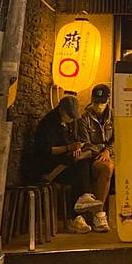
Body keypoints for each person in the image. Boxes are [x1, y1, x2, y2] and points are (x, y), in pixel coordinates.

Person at [34, 96, 102, 233]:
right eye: (70, 116)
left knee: (85, 160)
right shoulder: (47, 124)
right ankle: (75, 215)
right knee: (79, 171)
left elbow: (73, 140)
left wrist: (77, 148)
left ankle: (80, 209)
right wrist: (68, 148)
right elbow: (46, 150)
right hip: (50, 167)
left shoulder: (70, 122)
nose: (71, 119)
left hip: (66, 162)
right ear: (62, 110)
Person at [78, 84, 115, 232]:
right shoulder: (84, 118)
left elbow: (117, 138)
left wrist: (108, 151)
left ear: (108, 100)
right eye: (96, 101)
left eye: (102, 102)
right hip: (93, 157)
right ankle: (99, 214)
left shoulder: (114, 116)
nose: (99, 105)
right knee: (107, 167)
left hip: (111, 155)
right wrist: (102, 150)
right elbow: (85, 143)